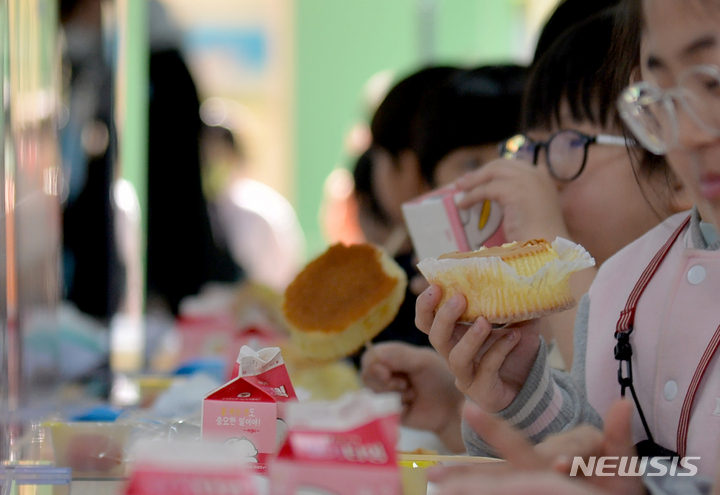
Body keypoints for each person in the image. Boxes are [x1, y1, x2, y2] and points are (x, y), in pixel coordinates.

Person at [417, 0, 720, 481]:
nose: (689, 131)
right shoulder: (621, 280)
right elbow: (604, 458)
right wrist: (524, 396)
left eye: (712, 83)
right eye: (661, 92)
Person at [200, 120, 306, 293]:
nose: (210, 162)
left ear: (234, 155)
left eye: (216, 153)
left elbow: (274, 281)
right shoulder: (208, 210)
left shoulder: (259, 210)